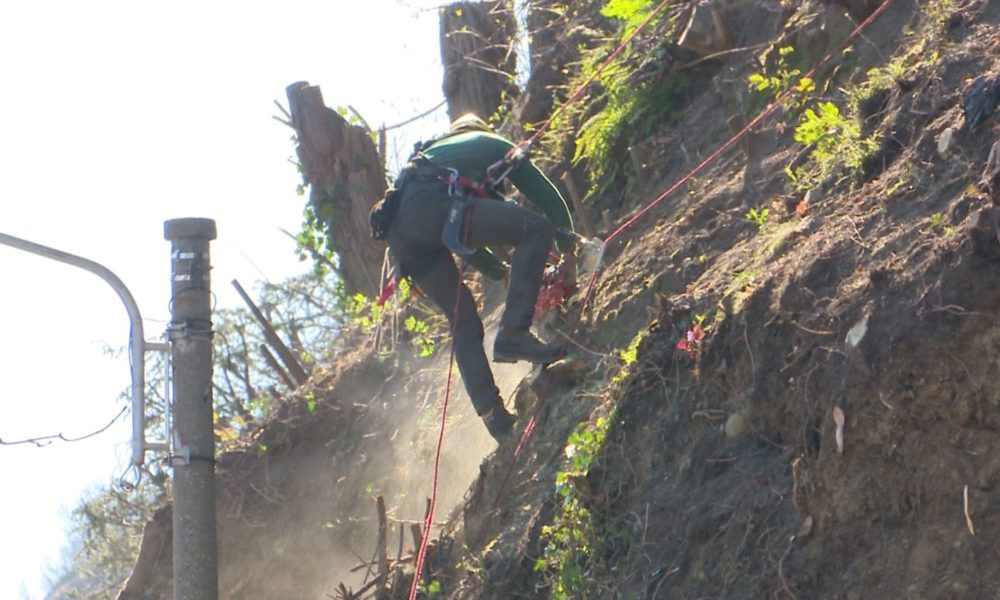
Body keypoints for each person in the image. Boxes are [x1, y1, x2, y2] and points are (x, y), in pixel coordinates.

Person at [369, 113, 576, 441]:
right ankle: (513, 334)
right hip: (433, 207)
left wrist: (499, 272)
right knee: (536, 228)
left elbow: (461, 238)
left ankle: (493, 416)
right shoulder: (488, 143)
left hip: (405, 235)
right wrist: (569, 245)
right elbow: (544, 195)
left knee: (462, 320)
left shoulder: (435, 161)